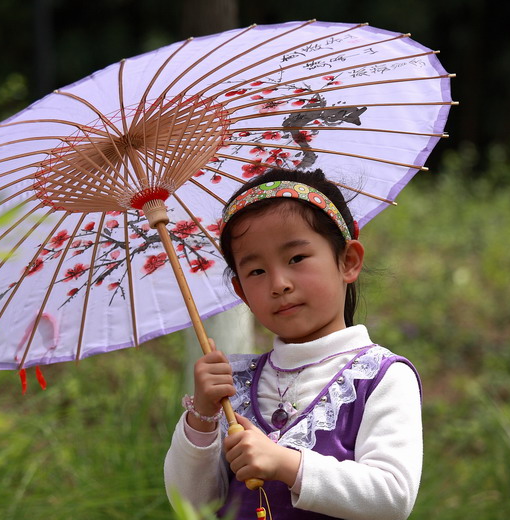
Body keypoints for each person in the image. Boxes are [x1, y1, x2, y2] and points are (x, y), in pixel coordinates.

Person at [164, 168, 422, 520]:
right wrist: (202, 417)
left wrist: (285, 463)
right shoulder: (234, 388)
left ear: (348, 261)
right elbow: (191, 503)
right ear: (241, 291)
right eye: (256, 271)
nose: (279, 283)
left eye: (296, 258)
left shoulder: (380, 378)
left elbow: (392, 497)